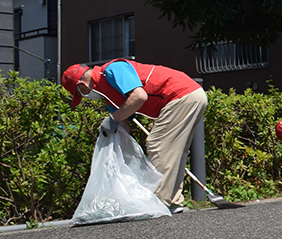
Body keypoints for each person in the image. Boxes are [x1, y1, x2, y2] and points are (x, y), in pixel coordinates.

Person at [61, 60, 207, 213]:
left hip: (181, 95)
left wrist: (113, 119)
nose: (85, 97)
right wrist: (118, 152)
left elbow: (138, 96)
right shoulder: (107, 96)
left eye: (80, 94)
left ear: (82, 86)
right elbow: (122, 123)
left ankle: (158, 202)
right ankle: (173, 201)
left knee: (158, 145)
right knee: (174, 151)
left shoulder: (112, 70)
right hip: (189, 96)